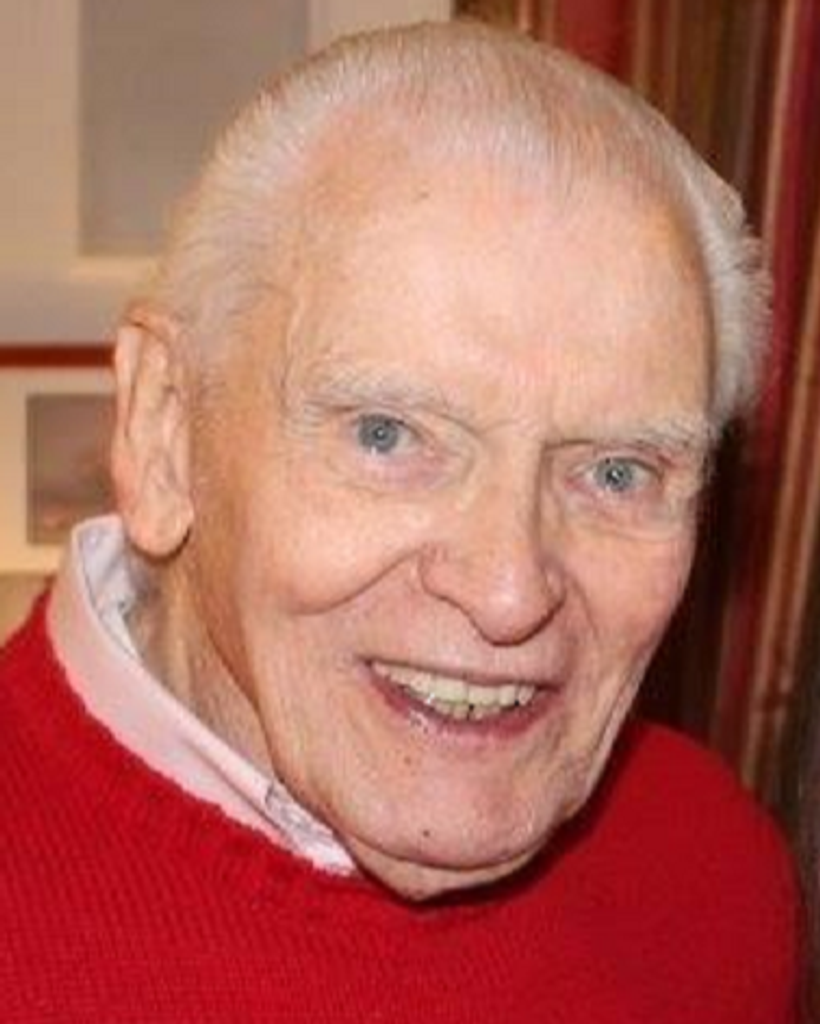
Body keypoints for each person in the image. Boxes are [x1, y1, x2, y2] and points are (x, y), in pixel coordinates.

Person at [0, 20, 799, 1022]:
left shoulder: (710, 873)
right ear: (164, 429)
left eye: (616, 471)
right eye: (387, 435)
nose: (508, 591)